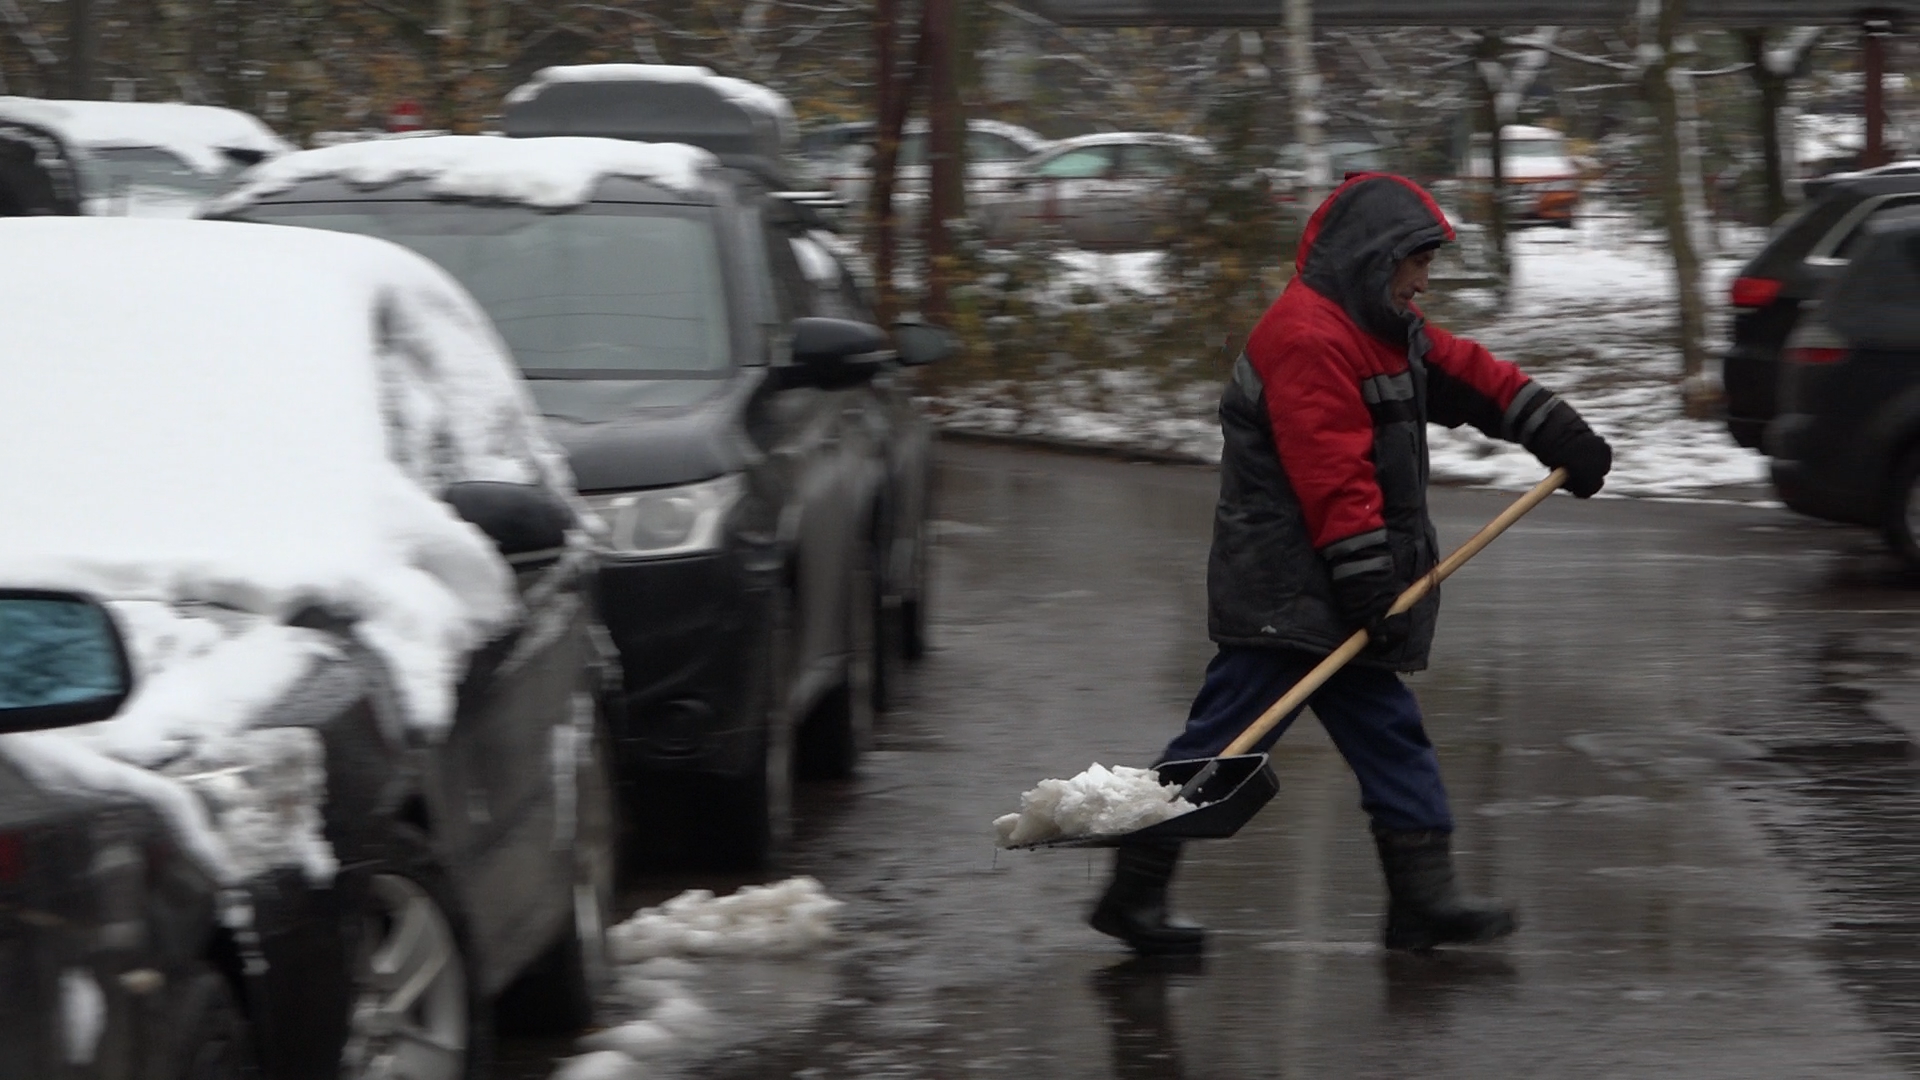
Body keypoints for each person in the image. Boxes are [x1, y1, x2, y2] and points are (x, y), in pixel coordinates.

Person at [1089, 174, 1613, 955]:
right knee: (1226, 744)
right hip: (1287, 596)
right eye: (1416, 262)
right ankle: (1135, 888)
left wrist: (1553, 429)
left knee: (1389, 736)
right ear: (1375, 258)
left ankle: (1422, 900)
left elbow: (1466, 373)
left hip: (1344, 587)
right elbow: (1332, 476)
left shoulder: (1381, 326)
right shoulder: (1307, 337)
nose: (1424, 280)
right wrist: (1370, 582)